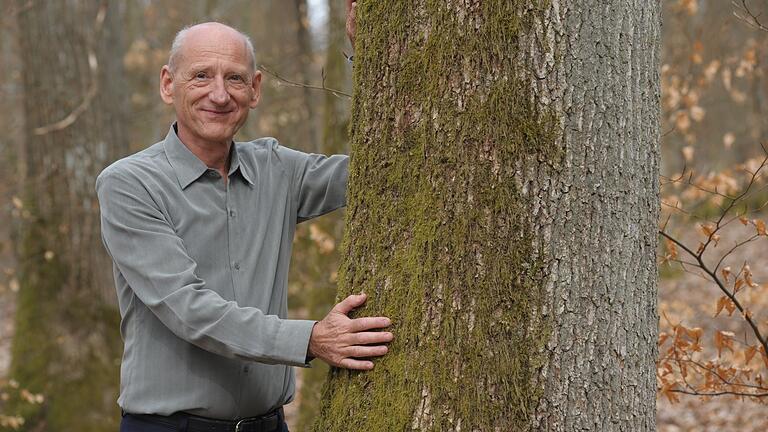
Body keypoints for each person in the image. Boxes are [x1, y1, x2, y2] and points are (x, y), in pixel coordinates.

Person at [96, 3, 391, 431]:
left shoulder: (277, 168)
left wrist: (373, 54)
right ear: (167, 83)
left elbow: (384, 166)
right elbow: (187, 308)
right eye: (201, 76)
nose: (219, 94)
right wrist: (308, 338)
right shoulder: (129, 184)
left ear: (254, 89)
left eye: (234, 78)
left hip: (269, 425)